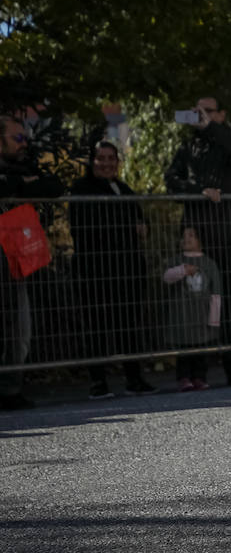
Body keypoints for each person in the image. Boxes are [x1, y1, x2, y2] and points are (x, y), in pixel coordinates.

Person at [164, 95, 231, 385]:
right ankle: (195, 372)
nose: (201, 116)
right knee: (194, 302)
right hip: (198, 239)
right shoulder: (188, 147)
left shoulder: (230, 138)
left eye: (207, 111)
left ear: (219, 114)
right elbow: (171, 180)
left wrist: (211, 128)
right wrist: (198, 190)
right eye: (196, 111)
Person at [69, 141, 157, 398]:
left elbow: (141, 220)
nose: (107, 163)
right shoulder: (81, 189)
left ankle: (134, 378)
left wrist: (142, 227)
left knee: (129, 324)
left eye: (111, 158)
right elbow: (85, 227)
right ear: (92, 161)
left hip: (127, 270)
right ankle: (98, 382)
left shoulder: (124, 189)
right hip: (95, 271)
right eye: (101, 158)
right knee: (96, 326)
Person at [0, 111, 63, 410]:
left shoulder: (24, 166)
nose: (24, 143)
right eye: (18, 138)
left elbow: (53, 186)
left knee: (19, 328)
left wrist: (20, 184)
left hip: (14, 265)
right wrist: (22, 184)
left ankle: (11, 389)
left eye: (25, 137)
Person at [161, 224, 221, 391]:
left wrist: (214, 319)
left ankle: (200, 377)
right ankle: (184, 377)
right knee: (184, 351)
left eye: (191, 236)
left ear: (200, 240)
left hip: (202, 316)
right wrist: (182, 270)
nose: (186, 239)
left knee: (201, 350)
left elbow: (216, 293)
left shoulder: (208, 263)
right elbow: (166, 277)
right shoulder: (176, 260)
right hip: (182, 316)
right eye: (184, 236)